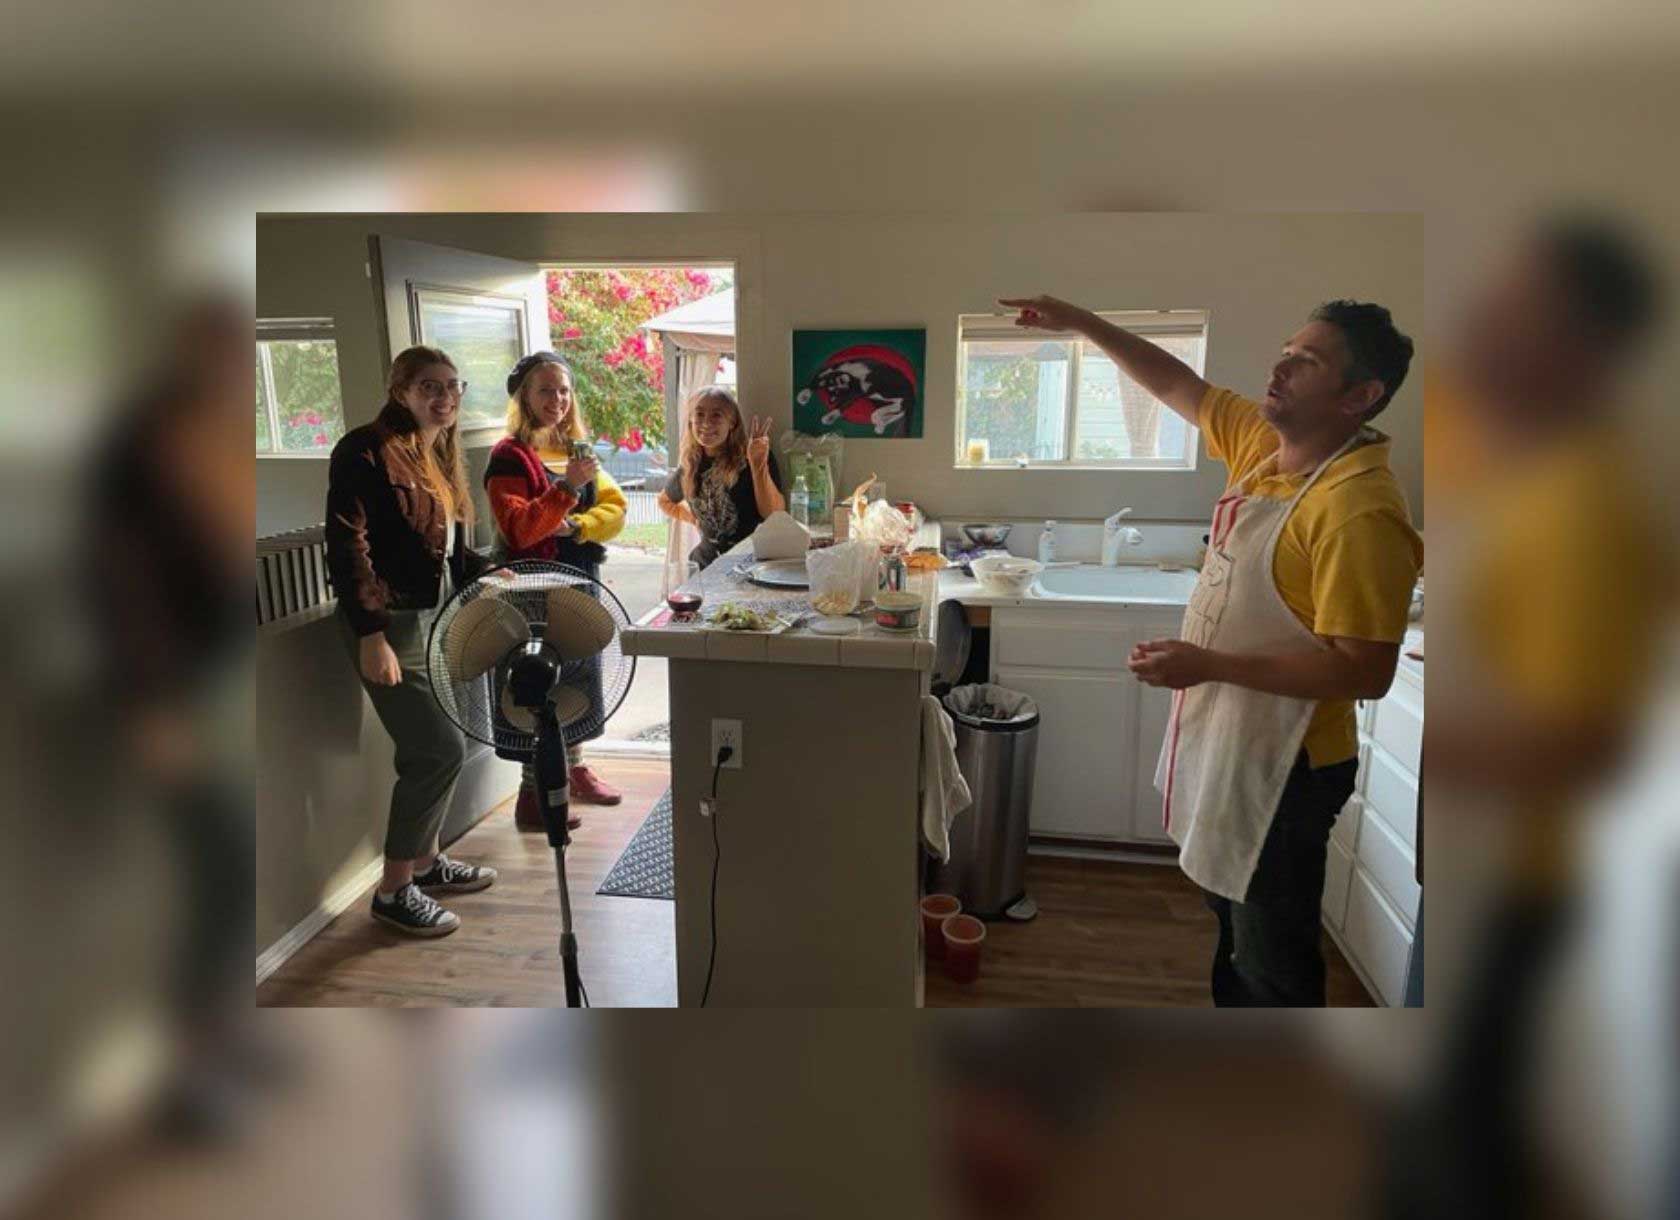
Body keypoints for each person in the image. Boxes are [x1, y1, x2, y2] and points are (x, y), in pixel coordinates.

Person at [1001, 293, 1422, 1006]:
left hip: (1291, 767)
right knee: (1229, 920)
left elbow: (1365, 670)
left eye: (1307, 360)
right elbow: (1174, 382)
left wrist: (1210, 665)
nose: (1280, 366)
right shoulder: (1266, 448)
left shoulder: (1359, 510)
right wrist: (1082, 321)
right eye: (1286, 350)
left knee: (1272, 960)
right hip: (1237, 741)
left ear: (1361, 396)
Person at [324, 345, 499, 938]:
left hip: (430, 616)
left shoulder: (435, 452)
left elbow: (438, 545)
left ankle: (425, 863)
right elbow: (350, 547)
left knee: (428, 750)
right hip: (390, 624)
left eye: (453, 385)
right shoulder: (365, 450)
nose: (445, 396)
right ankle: (394, 890)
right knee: (438, 751)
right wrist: (373, 636)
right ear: (401, 390)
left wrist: (483, 570)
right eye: (430, 386)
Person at [484, 350, 628, 820]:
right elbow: (520, 530)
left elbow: (617, 511)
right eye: (546, 389)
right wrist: (566, 488)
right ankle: (534, 792)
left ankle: (576, 768)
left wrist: (579, 527)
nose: (558, 399)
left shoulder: (576, 449)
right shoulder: (509, 456)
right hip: (532, 593)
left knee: (582, 676)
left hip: (579, 579)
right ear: (523, 395)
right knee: (538, 685)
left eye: (564, 390)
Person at [656, 385, 784, 566]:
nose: (706, 423)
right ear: (691, 420)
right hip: (704, 565)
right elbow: (664, 501)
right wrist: (695, 519)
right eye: (699, 414)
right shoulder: (691, 464)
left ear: (732, 423)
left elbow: (774, 514)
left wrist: (758, 465)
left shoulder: (753, 455)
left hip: (749, 563)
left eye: (716, 415)